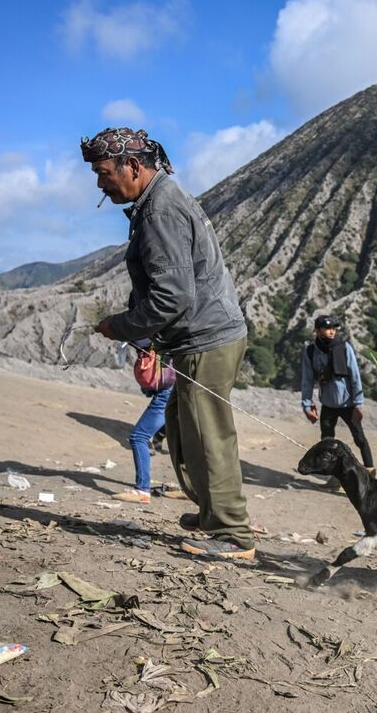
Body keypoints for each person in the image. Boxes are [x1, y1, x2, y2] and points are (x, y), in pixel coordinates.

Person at [82, 127, 254, 561]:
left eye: (103, 173)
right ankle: (211, 511)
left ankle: (232, 534)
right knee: (183, 430)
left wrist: (120, 326)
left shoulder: (160, 210)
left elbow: (172, 297)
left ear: (133, 167)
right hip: (198, 338)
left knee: (207, 434)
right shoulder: (158, 202)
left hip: (206, 339)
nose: (100, 183)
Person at [300, 315, 372, 488]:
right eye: (327, 328)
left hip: (348, 404)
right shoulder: (311, 352)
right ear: (317, 331)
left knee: (360, 438)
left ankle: (370, 472)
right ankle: (335, 478)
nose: (332, 331)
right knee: (326, 442)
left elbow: (355, 376)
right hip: (328, 404)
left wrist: (358, 403)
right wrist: (307, 404)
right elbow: (307, 379)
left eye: (334, 328)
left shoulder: (344, 347)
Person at [113, 339, 174, 504]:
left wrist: (117, 328)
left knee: (138, 436)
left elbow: (142, 336)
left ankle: (142, 490)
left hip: (167, 389)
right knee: (183, 440)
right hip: (180, 386)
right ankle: (192, 490)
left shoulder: (156, 321)